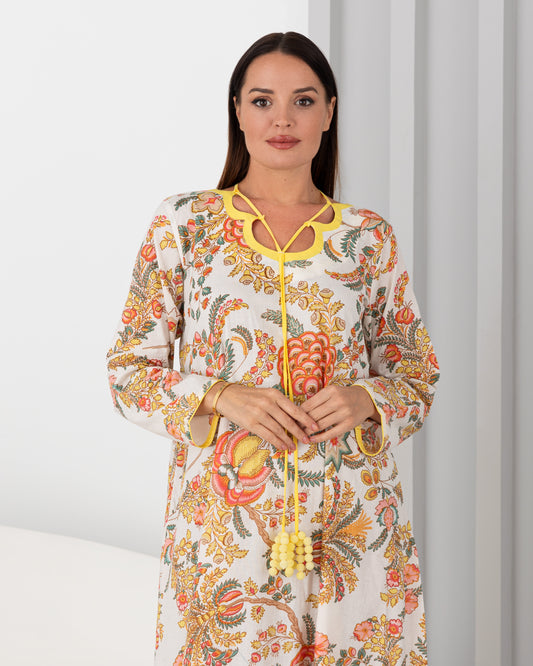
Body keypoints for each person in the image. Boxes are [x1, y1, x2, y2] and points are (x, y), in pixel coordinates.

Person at [107, 31, 439, 666]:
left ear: (330, 112)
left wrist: (365, 398)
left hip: (354, 526)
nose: (282, 119)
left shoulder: (369, 238)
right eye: (262, 101)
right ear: (237, 110)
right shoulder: (185, 225)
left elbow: (417, 376)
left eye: (303, 101)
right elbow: (128, 372)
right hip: (224, 535)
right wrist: (221, 395)